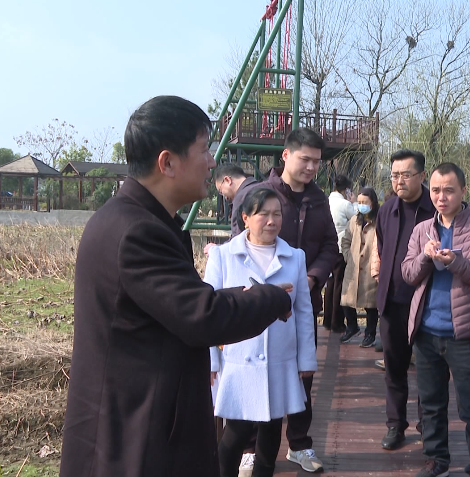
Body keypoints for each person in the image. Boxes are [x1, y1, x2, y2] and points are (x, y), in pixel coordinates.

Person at [60, 96, 293, 477]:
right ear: (167, 162)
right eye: (204, 150)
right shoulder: (138, 232)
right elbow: (203, 316)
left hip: (129, 425)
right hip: (136, 439)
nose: (212, 162)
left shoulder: (130, 219)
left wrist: (244, 296)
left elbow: (180, 303)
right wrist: (270, 297)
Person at [206, 187, 317, 477]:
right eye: (263, 214)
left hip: (280, 359)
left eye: (277, 214)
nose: (271, 221)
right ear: (245, 218)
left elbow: (304, 312)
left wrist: (306, 359)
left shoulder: (295, 257)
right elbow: (209, 311)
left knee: (271, 431)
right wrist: (212, 361)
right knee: (235, 434)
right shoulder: (223, 256)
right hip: (238, 359)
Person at [244, 127, 337, 473]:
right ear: (286, 155)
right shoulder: (262, 193)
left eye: (317, 162)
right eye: (305, 159)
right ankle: (250, 447)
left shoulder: (319, 200)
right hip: (262, 304)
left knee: (303, 374)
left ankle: (299, 444)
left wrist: (311, 277)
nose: (311, 167)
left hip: (304, 301)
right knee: (258, 371)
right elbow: (244, 243)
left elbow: (330, 246)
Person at [402, 162, 470, 477]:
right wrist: (425, 257)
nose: (441, 197)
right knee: (431, 404)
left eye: (448, 190)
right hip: (426, 331)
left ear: (463, 191)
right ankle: (437, 460)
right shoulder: (422, 230)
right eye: (435, 190)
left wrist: (456, 262)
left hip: (464, 332)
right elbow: (408, 274)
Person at [376, 149, 435, 450]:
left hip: (426, 303)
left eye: (406, 175)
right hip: (392, 302)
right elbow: (382, 247)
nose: (399, 181)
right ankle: (395, 425)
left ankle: (428, 426)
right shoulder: (387, 209)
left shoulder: (435, 209)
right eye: (394, 175)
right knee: (394, 368)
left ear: (422, 175)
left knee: (427, 369)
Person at [340, 187, 381, 347]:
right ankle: (352, 327)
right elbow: (345, 240)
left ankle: (370, 334)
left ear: (373, 203)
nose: (361, 205)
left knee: (371, 305)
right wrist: (348, 256)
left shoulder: (379, 221)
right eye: (359, 202)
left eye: (365, 202)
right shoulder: (354, 221)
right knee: (346, 301)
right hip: (353, 267)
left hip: (370, 268)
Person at [325, 174, 357, 333]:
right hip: (340, 249)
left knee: (330, 284)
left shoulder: (327, 200)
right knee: (340, 285)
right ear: (346, 189)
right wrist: (354, 201)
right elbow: (358, 217)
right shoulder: (345, 204)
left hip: (327, 249)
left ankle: (327, 320)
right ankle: (337, 322)